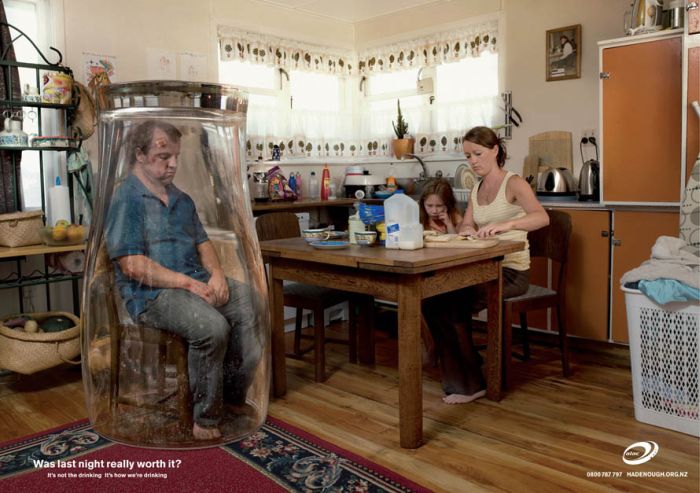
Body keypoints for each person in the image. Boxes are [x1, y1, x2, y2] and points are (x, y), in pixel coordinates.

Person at [105, 120, 261, 440]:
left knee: (252, 305)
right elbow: (133, 265)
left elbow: (204, 244)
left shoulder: (182, 199)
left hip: (194, 282)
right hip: (151, 295)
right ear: (140, 155)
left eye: (176, 156)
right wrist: (188, 284)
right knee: (211, 328)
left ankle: (230, 397)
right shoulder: (126, 198)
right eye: (164, 156)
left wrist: (217, 275)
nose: (173, 163)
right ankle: (205, 419)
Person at [423, 126, 549, 405]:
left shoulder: (514, 183)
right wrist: (467, 229)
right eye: (468, 156)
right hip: (483, 268)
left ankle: (471, 384)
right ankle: (464, 372)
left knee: (453, 302)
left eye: (478, 154)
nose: (473, 161)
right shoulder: (476, 188)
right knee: (432, 299)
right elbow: (467, 223)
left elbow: (542, 217)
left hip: (512, 271)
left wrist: (508, 224)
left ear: (495, 150)